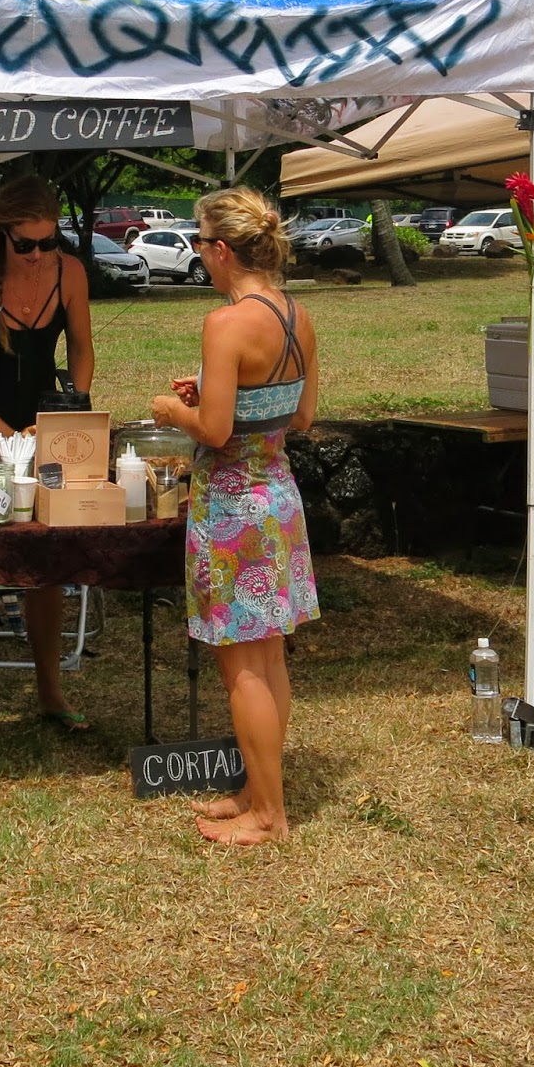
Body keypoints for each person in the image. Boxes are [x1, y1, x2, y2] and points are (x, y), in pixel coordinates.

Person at [150, 188, 319, 845]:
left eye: (199, 242)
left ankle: (269, 815)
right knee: (269, 658)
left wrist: (176, 411)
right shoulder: (297, 315)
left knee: (241, 668)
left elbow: (215, 431)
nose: (198, 254)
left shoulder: (225, 323)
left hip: (232, 509)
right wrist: (219, 395)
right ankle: (257, 791)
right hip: (278, 498)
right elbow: (300, 415)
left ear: (221, 250)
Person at [0, 175, 95, 740]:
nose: (36, 255)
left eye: (48, 242)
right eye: (25, 244)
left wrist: (70, 411)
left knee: (46, 565)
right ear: (0, 235)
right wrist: (10, 439)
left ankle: (51, 691)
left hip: (44, 429)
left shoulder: (69, 273)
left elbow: (82, 348)